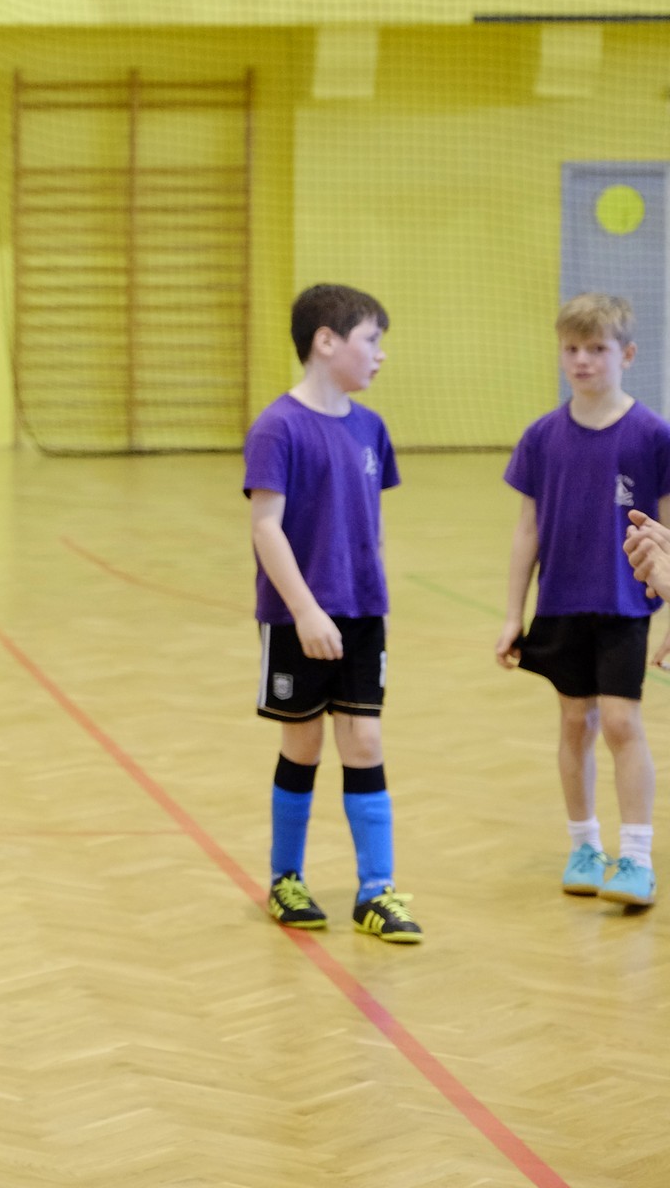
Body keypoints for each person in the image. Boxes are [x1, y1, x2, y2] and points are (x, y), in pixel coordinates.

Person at [246, 284, 421, 942]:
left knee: (365, 741)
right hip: (299, 615)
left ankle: (376, 890)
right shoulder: (278, 426)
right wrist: (306, 610)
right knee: (303, 742)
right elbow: (266, 527)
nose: (380, 354)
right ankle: (285, 878)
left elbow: (370, 525)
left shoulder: (370, 428)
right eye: (371, 340)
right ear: (326, 341)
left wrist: (371, 600)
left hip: (362, 612)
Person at [496, 294, 666, 908]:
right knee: (575, 721)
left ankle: (637, 856)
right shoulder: (542, 437)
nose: (583, 360)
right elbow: (527, 530)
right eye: (572, 349)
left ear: (627, 355)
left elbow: (666, 532)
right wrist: (513, 614)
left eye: (597, 349)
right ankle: (584, 845)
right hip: (562, 602)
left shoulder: (653, 435)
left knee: (620, 721)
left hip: (625, 604)